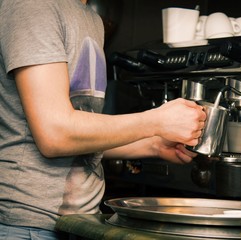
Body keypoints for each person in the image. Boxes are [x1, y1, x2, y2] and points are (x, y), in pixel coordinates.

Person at [0, 0, 206, 239]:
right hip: (28, 224)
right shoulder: (33, 6)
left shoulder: (90, 18)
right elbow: (55, 134)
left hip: (80, 222)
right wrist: (156, 121)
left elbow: (80, 135)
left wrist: (154, 144)